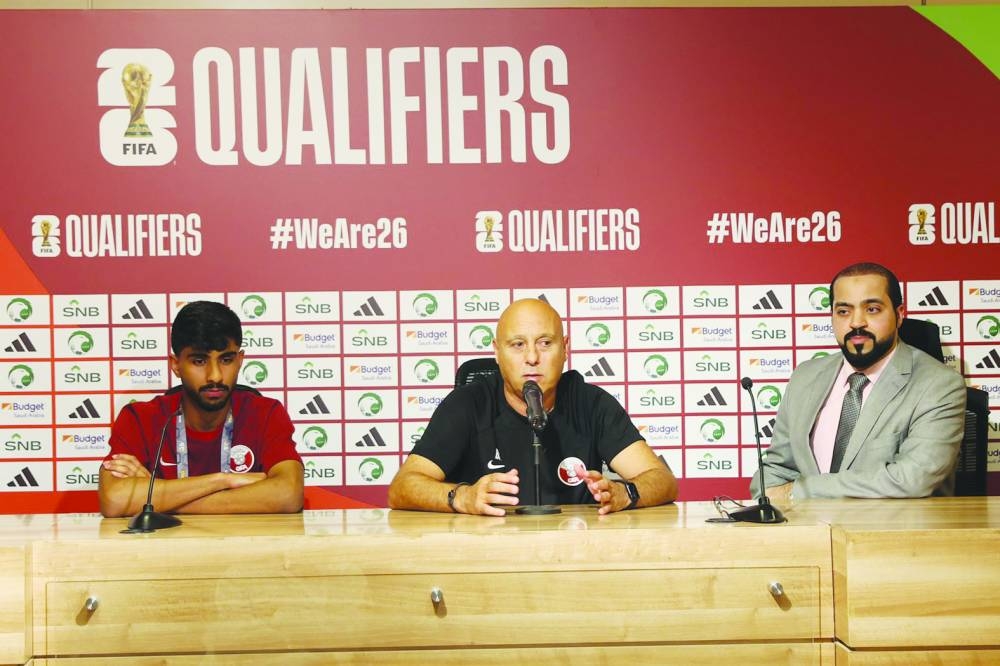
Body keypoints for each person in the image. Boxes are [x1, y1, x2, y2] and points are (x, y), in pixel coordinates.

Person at [388, 298, 678, 515]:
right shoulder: (468, 404)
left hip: (573, 557)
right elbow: (402, 487)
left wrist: (625, 493)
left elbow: (662, 480)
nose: (531, 357)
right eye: (517, 344)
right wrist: (461, 497)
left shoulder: (590, 403)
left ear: (565, 348)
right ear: (497, 352)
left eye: (545, 343)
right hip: (487, 558)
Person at [751, 262, 966, 500]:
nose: (856, 322)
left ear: (899, 314)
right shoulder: (805, 376)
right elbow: (775, 471)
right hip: (808, 533)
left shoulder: (938, 384)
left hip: (892, 534)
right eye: (843, 311)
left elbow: (912, 479)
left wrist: (798, 492)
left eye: (872, 309)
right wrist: (767, 494)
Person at [99, 301, 304, 516]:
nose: (214, 375)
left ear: (240, 360)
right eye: (199, 361)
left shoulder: (266, 413)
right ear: (176, 364)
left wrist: (157, 498)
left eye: (226, 359)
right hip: (163, 549)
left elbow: (288, 495)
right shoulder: (140, 418)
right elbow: (115, 500)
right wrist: (223, 480)